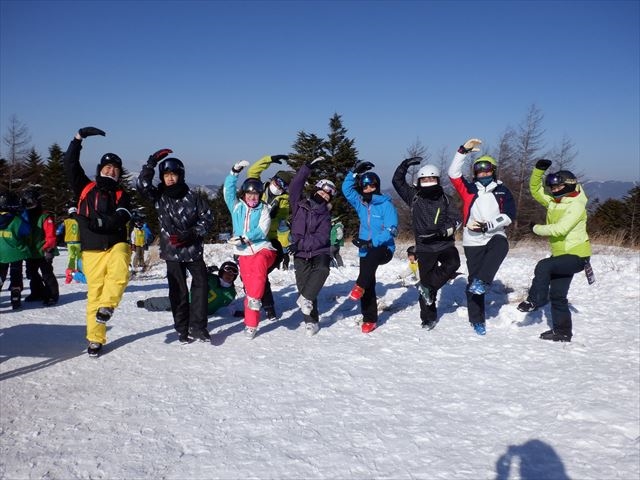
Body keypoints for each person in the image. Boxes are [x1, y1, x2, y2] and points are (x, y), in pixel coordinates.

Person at [63, 126, 133, 357]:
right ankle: (95, 339)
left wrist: (95, 222)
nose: (112, 171)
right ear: (101, 169)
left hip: (116, 243)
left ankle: (108, 306)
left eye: (115, 169)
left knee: (121, 270)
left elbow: (122, 216)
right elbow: (70, 165)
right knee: (95, 293)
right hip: (92, 248)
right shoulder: (85, 187)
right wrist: (78, 138)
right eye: (108, 167)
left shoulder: (122, 194)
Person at [137, 149, 214, 344]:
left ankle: (198, 327)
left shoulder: (193, 197)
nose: (170, 179)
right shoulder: (159, 197)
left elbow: (208, 218)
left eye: (173, 174)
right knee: (178, 291)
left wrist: (194, 232)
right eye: (166, 175)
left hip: (193, 250)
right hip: (172, 252)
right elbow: (142, 184)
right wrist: (151, 162)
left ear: (180, 175)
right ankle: (181, 328)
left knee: (200, 287)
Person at [516, 160, 591, 342]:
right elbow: (535, 190)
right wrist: (538, 171)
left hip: (577, 256)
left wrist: (536, 228)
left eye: (558, 186)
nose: (554, 189)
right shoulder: (554, 202)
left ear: (570, 185)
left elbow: (559, 229)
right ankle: (563, 332)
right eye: (552, 186)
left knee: (543, 265)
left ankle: (534, 300)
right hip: (561, 256)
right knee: (558, 295)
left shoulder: (576, 205)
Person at [448, 138, 516, 336]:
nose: (483, 174)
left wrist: (490, 225)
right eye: (479, 172)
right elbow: (453, 174)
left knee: (501, 245)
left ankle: (483, 281)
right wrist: (462, 151)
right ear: (475, 173)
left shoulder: (502, 191)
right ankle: (477, 319)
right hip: (472, 240)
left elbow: (510, 215)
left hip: (494, 234)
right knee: (473, 281)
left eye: (487, 171)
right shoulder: (469, 189)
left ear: (493, 171)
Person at [393, 158, 461, 330]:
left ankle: (428, 288)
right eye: (424, 179)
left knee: (453, 263)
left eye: (432, 179)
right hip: (424, 247)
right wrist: (404, 165)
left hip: (444, 243)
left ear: (437, 180)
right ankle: (428, 318)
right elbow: (397, 182)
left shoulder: (446, 199)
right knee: (426, 281)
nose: (428, 182)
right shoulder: (414, 197)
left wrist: (443, 232)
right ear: (419, 182)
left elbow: (457, 220)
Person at [342, 160, 398, 333]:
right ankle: (369, 319)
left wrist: (372, 242)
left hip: (384, 249)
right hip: (365, 249)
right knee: (370, 283)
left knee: (365, 277)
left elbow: (391, 229)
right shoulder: (361, 204)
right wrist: (353, 172)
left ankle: (358, 285)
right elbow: (346, 190)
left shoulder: (385, 205)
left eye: (371, 186)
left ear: (377, 186)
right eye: (364, 187)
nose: (368, 189)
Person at [223, 160, 277, 339]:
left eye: (256, 195)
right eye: (249, 194)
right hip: (243, 253)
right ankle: (251, 325)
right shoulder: (237, 207)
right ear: (244, 194)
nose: (252, 198)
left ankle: (255, 299)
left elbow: (262, 229)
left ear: (260, 195)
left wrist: (244, 238)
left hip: (262, 248)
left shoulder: (264, 210)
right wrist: (234, 172)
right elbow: (228, 192)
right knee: (249, 285)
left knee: (260, 270)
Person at [288, 156, 335, 336]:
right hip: (299, 253)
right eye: (322, 192)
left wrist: (299, 243)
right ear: (315, 190)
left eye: (327, 195)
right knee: (305, 286)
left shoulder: (325, 215)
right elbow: (295, 186)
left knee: (322, 269)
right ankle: (311, 320)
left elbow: (322, 237)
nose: (323, 196)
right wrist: (306, 168)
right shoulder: (298, 205)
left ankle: (307, 302)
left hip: (318, 251)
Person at [246, 154, 292, 319]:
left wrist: (285, 247)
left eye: (284, 187)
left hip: (268, 240)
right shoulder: (258, 188)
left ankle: (268, 307)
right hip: (249, 237)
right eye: (278, 183)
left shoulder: (284, 200)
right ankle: (254, 304)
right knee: (250, 275)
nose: (279, 188)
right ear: (273, 179)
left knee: (259, 274)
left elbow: (282, 225)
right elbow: (252, 170)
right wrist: (269, 159)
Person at [137, 261, 239, 316]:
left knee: (178, 311)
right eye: (227, 273)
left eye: (232, 275)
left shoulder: (231, 293)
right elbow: (196, 275)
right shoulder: (211, 278)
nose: (229, 276)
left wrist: (238, 313)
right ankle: (147, 303)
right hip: (190, 302)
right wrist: (205, 271)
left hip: (204, 313)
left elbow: (231, 307)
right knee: (171, 302)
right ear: (221, 272)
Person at [21, 188, 60, 306]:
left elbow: (50, 234)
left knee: (47, 274)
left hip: (44, 251)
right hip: (31, 251)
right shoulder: (25, 216)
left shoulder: (45, 217)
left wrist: (49, 249)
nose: (29, 205)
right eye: (26, 203)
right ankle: (37, 292)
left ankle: (52, 295)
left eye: (31, 202)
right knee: (31, 273)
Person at [0, 190, 30, 309]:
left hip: (0, 253)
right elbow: (27, 230)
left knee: (1, 274)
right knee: (16, 274)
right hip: (16, 253)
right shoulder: (16, 220)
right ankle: (15, 297)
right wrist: (23, 212)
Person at [56, 207, 81, 283]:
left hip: (69, 243)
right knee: (79, 258)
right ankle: (79, 275)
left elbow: (59, 231)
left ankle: (69, 276)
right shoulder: (79, 220)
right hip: (78, 242)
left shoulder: (66, 221)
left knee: (71, 258)